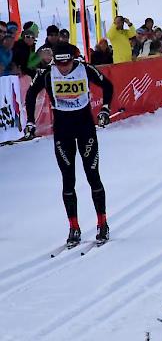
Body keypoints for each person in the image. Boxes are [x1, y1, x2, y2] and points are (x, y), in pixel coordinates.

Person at [24, 42, 114, 247]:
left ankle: (102, 223)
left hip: (85, 129)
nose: (64, 68)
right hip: (63, 132)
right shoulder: (47, 72)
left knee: (93, 176)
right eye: (60, 63)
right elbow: (31, 94)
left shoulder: (85, 68)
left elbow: (107, 85)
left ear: (73, 59)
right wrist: (30, 120)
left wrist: (105, 109)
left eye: (67, 63)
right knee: (68, 179)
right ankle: (74, 227)